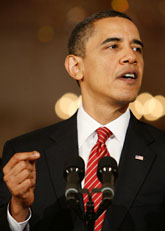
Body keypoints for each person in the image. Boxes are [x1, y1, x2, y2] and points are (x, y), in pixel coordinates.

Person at [0, 10, 165, 231]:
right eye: (113, 46)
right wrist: (18, 211)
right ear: (75, 67)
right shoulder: (25, 153)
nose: (131, 57)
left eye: (137, 48)